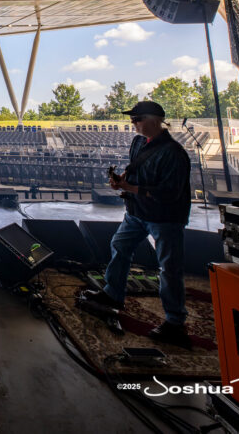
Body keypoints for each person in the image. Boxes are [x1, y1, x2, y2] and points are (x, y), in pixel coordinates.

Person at [83, 100, 193, 347]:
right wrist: (120, 179)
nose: (133, 123)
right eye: (132, 119)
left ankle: (175, 322)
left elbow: (169, 194)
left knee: (169, 268)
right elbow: (135, 170)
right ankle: (113, 293)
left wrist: (128, 187)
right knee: (120, 246)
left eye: (138, 119)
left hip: (165, 218)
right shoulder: (138, 142)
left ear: (155, 120)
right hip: (137, 212)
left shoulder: (174, 154)